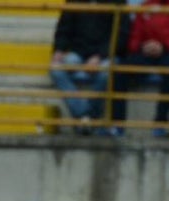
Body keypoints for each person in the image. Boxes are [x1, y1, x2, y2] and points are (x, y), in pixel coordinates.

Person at [111, 0, 169, 137]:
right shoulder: (146, 6)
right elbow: (134, 38)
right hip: (146, 51)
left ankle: (160, 123)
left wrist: (164, 46)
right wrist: (142, 46)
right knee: (120, 71)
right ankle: (117, 124)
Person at [49, 0, 127, 134]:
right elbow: (63, 29)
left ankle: (84, 118)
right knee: (56, 69)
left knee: (106, 73)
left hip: (105, 55)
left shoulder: (118, 2)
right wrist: (59, 50)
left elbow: (121, 35)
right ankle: (87, 115)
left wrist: (100, 56)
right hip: (78, 52)